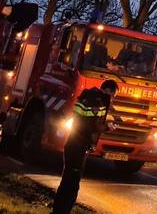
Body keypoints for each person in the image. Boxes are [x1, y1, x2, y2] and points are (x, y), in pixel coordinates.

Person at [51, 80, 117, 214]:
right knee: (73, 183)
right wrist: (108, 127)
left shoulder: (87, 96)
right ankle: (62, 211)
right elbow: (93, 125)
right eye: (113, 95)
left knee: (67, 180)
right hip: (80, 146)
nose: (113, 98)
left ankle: (57, 210)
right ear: (108, 90)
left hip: (73, 143)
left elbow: (84, 121)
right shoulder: (99, 102)